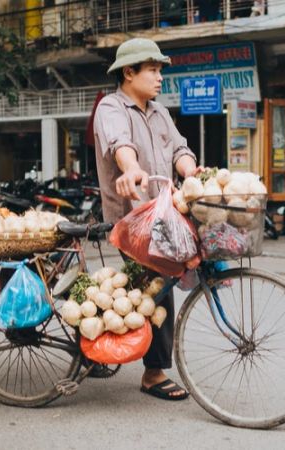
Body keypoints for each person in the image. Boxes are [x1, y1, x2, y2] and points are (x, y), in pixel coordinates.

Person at [93, 37, 199, 401]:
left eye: (159, 70)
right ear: (128, 72)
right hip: (131, 221)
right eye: (152, 70)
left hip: (164, 214)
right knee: (160, 286)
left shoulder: (160, 111)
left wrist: (192, 170)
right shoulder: (112, 107)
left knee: (138, 290)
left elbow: (181, 149)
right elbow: (122, 145)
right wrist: (132, 168)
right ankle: (153, 374)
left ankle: (93, 341)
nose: (159, 78)